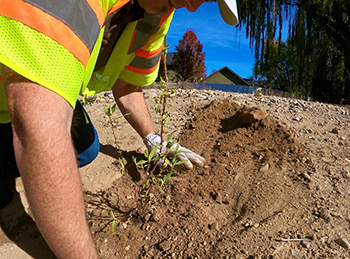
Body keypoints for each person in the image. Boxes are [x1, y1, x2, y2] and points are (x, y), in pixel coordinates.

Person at [0, 0, 238, 257]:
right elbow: (39, 123)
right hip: (16, 94)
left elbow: (127, 86)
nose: (192, 7)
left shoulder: (159, 14)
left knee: (86, 149)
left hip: (44, 86)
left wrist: (153, 139)